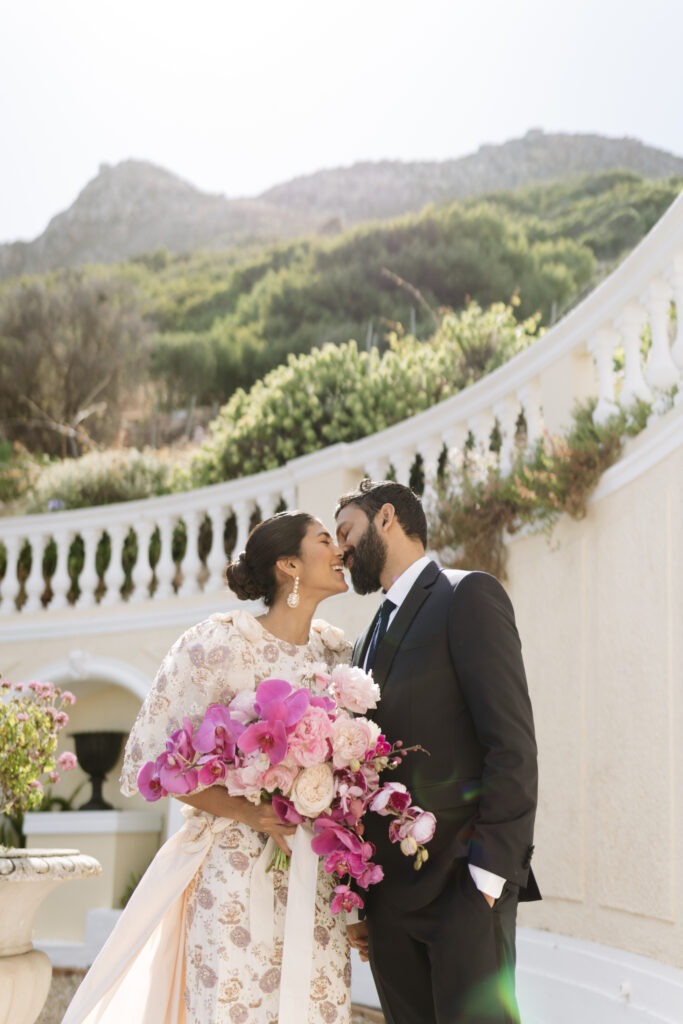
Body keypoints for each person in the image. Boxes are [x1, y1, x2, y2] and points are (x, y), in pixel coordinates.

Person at [63, 511, 353, 1024]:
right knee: (232, 1002)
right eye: (326, 540)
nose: (341, 551)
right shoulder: (216, 646)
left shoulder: (337, 652)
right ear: (289, 565)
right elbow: (153, 763)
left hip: (314, 872)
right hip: (234, 870)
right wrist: (250, 812)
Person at [335, 480, 540, 1024]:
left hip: (462, 888)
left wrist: (488, 879)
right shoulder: (364, 640)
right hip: (389, 903)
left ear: (385, 518)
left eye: (346, 532)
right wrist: (360, 896)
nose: (341, 550)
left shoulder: (466, 594)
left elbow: (511, 743)